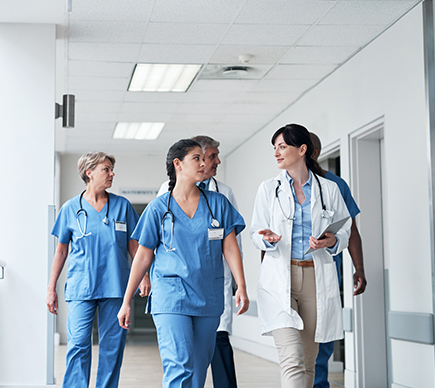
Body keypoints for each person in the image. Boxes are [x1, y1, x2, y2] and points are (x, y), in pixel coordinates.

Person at [118, 139, 249, 388]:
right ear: (178, 164)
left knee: (198, 372)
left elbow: (230, 247)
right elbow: (143, 256)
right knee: (179, 367)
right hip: (170, 296)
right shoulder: (158, 208)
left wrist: (240, 286)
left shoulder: (218, 203)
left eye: (204, 158)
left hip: (207, 297)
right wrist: (127, 301)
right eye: (196, 158)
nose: (203, 163)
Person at [250, 124, 351, 388]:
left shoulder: (329, 189)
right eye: (275, 148)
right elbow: (254, 233)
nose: (276, 153)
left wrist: (332, 241)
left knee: (309, 360)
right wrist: (265, 238)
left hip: (316, 277)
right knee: (292, 358)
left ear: (302, 149)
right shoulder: (268, 189)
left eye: (282, 147)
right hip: (280, 277)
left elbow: (345, 231)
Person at [46, 151, 150, 388]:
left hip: (115, 287)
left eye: (112, 169)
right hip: (81, 287)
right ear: (89, 172)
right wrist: (51, 289)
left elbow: (135, 247)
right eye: (106, 169)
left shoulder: (122, 206)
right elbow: (61, 252)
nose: (112, 174)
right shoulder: (70, 208)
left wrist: (144, 275)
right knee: (78, 344)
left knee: (112, 347)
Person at [157, 135, 242, 388]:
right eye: (210, 156)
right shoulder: (165, 195)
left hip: (213, 284)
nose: (216, 161)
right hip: (176, 287)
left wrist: (240, 283)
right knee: (182, 360)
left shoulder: (222, 195)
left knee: (215, 348)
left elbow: (233, 243)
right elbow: (153, 245)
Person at [309, 132, 367, 388]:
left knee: (322, 345)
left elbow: (350, 229)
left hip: (327, 274)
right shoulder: (280, 186)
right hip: (292, 275)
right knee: (297, 349)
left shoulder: (334, 185)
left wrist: (359, 268)